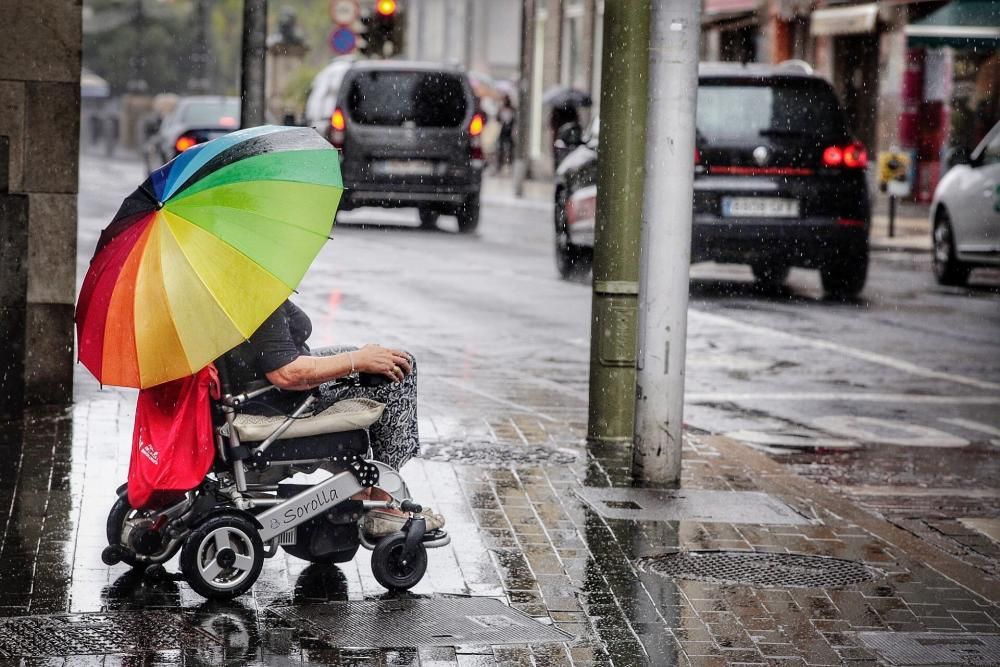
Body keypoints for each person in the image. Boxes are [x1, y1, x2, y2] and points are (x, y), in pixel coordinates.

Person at [221, 300, 443, 536]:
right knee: (400, 368)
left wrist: (360, 357)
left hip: (255, 390)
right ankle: (384, 505)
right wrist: (357, 361)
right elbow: (286, 373)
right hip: (276, 400)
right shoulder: (258, 297)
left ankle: (363, 489)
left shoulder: (227, 290)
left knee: (373, 359)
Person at [495, 95, 516, 173]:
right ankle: (500, 165)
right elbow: (497, 119)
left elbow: (514, 120)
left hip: (509, 131)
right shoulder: (502, 109)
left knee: (510, 148)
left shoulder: (512, 110)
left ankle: (509, 164)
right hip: (503, 131)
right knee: (501, 148)